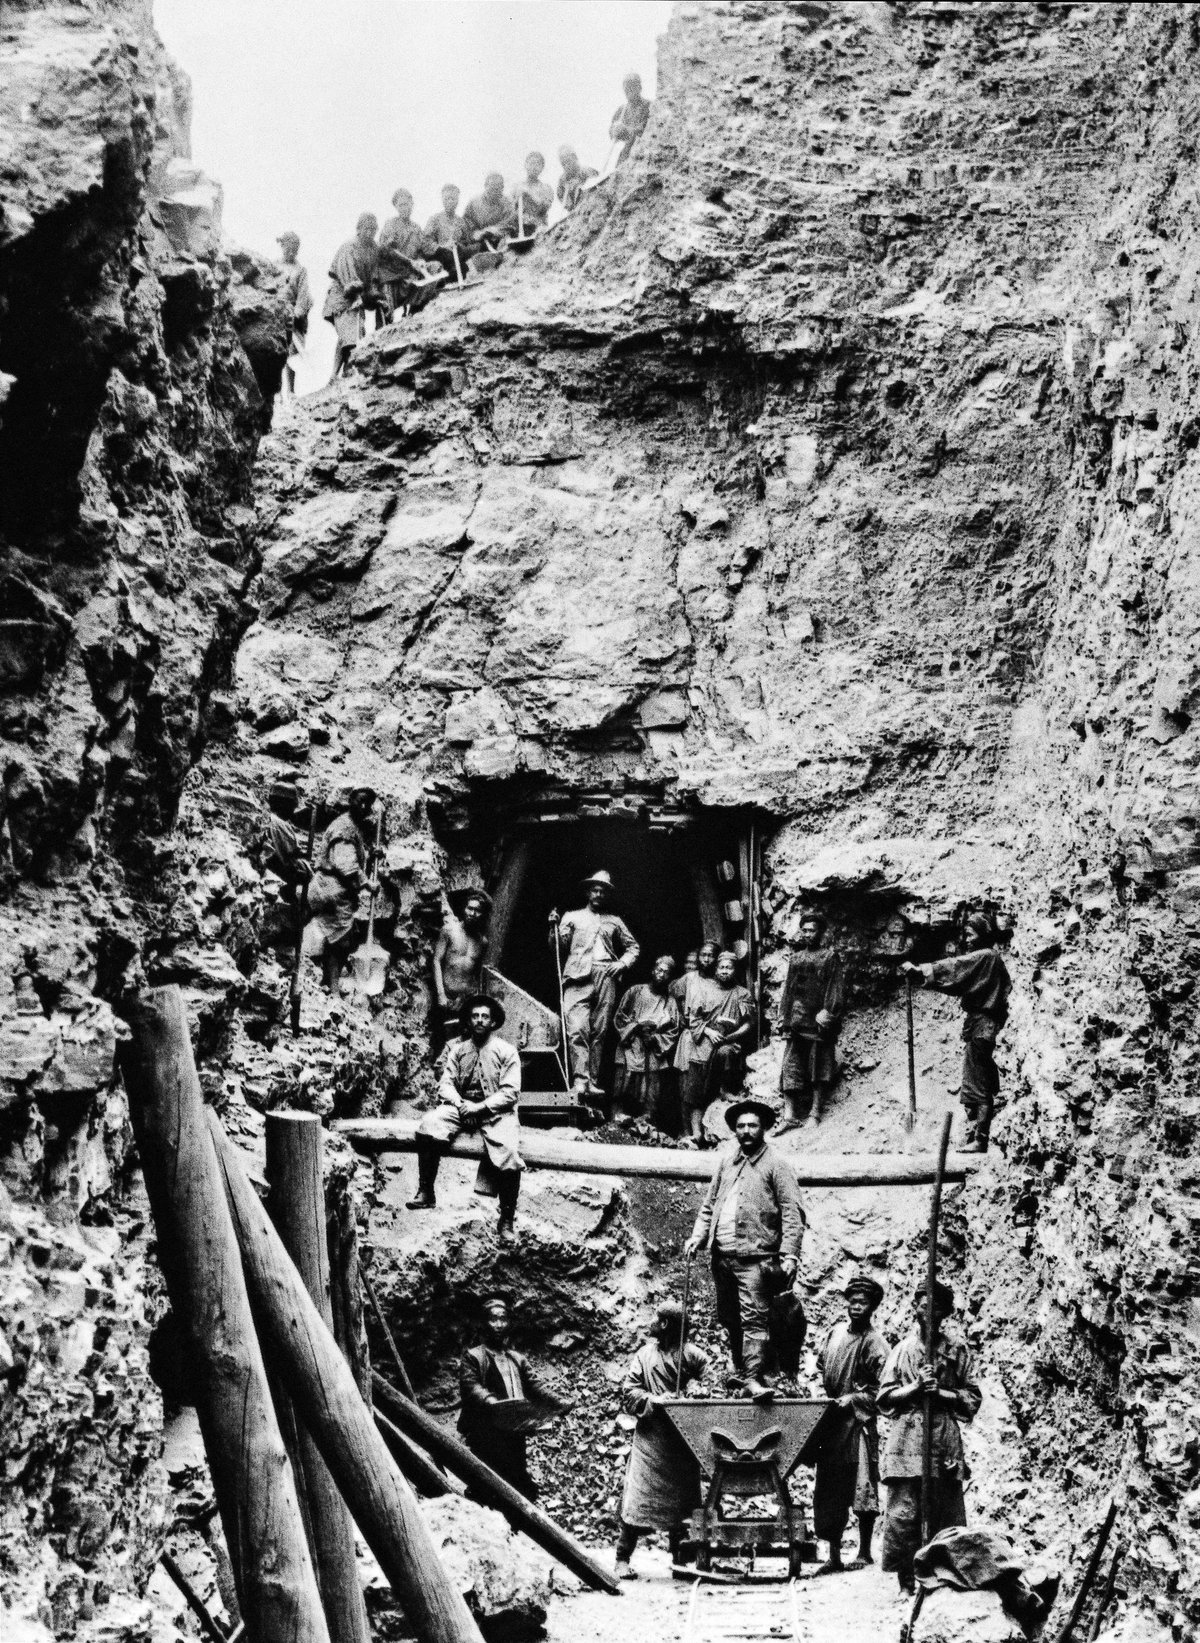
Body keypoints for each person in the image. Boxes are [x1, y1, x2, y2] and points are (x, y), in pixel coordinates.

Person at [684, 1098, 805, 1401]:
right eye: (741, 1126)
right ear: (734, 1131)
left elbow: (792, 1212)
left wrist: (789, 1253)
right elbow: (710, 1205)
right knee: (729, 1317)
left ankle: (754, 1378)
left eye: (752, 1125)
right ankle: (741, 1371)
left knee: (754, 1319)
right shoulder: (727, 1162)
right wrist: (697, 1237)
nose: (747, 1131)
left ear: (763, 1128)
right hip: (722, 1258)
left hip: (757, 1259)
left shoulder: (777, 1165)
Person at [878, 1279, 982, 1593]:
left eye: (937, 1306)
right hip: (907, 1439)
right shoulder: (902, 1351)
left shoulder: (956, 1350)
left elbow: (972, 1398)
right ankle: (906, 1581)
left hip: (943, 1438)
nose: (929, 1312)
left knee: (946, 1511)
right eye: (924, 1304)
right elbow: (884, 1398)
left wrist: (943, 1393)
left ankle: (943, 1579)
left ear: (946, 1311)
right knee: (904, 1514)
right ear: (914, 1307)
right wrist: (914, 1389)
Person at [407, 995, 523, 1241]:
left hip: (495, 1113)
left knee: (510, 1152)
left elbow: (511, 1093)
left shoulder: (506, 1051)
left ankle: (506, 1219)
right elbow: (445, 1085)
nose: (479, 1021)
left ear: (493, 1022)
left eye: (485, 1017)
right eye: (475, 1016)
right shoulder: (458, 1051)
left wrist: (479, 1108)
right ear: (468, 1022)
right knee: (430, 1124)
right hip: (461, 1109)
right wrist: (461, 1106)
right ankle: (426, 1191)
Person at [901, 913, 1011, 1151]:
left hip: (983, 1026)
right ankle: (976, 1136)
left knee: (978, 1084)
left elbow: (956, 969)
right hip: (979, 1026)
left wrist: (922, 971)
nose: (967, 940)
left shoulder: (987, 956)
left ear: (983, 936)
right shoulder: (988, 959)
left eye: (971, 935)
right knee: (977, 1081)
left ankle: (980, 1140)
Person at [614, 1302, 707, 1580]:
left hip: (681, 1441)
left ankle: (679, 1558)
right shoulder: (644, 1356)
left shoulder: (692, 1355)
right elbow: (629, 1392)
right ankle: (622, 1558)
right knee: (637, 1500)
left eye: (656, 1318)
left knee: (682, 1503)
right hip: (650, 1440)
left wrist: (692, 1393)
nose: (651, 1322)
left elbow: (709, 1383)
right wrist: (656, 1399)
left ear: (665, 1324)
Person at [458, 1295, 572, 1500]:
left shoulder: (517, 1359)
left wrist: (558, 1402)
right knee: (487, 1482)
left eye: (503, 1319)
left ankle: (518, 1524)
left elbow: (535, 1386)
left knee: (517, 1477)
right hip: (486, 1432)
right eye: (493, 1319)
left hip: (513, 1431)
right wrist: (491, 1402)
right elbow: (471, 1386)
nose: (499, 1325)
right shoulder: (473, 1356)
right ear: (484, 1323)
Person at [813, 1277, 890, 1575]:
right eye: (852, 1300)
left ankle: (864, 1551)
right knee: (829, 1487)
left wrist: (855, 1397)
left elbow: (884, 1390)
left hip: (858, 1424)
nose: (856, 1306)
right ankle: (833, 1555)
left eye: (863, 1302)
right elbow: (821, 1364)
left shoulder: (874, 1342)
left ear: (872, 1308)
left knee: (862, 1484)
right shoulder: (834, 1334)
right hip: (832, 1422)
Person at [549, 870, 639, 1098]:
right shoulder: (572, 916)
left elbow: (633, 947)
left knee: (599, 1031)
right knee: (578, 1028)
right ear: (588, 892)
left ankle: (592, 1082)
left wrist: (622, 963)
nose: (598, 894)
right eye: (595, 889)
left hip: (606, 975)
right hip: (577, 977)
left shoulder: (614, 921)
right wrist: (553, 928)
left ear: (607, 895)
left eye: (603, 891)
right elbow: (557, 948)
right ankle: (580, 1080)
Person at [303, 787, 378, 993]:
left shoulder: (352, 825)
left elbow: (354, 856)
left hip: (335, 889)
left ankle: (327, 983)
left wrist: (372, 855)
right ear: (350, 800)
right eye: (360, 801)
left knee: (339, 939)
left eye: (367, 804)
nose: (363, 807)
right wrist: (367, 884)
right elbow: (345, 865)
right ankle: (331, 987)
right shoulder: (344, 827)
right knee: (340, 941)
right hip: (331, 890)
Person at [778, 911, 846, 1132]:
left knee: (818, 1067)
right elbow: (789, 990)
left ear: (821, 933)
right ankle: (789, 1116)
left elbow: (835, 989)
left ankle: (815, 1113)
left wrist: (827, 1012)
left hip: (817, 1025)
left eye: (812, 930)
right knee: (790, 1066)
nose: (807, 934)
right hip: (796, 1022)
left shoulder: (829, 957)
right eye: (804, 930)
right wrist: (784, 1017)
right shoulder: (796, 958)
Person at [612, 955, 682, 1131]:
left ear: (670, 977)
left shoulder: (670, 1001)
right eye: (659, 970)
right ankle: (616, 1124)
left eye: (666, 972)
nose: (661, 975)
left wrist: (656, 1038)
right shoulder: (635, 991)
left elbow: (674, 1029)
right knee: (622, 1088)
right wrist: (636, 1027)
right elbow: (620, 1017)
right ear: (653, 970)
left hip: (653, 1050)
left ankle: (647, 1127)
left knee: (652, 1093)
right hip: (631, 1044)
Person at [672, 941, 726, 1143]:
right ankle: (687, 1133)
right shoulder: (689, 979)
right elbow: (673, 995)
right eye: (703, 955)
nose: (706, 959)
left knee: (707, 1085)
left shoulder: (719, 981)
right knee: (687, 1087)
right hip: (691, 1038)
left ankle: (705, 1131)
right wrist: (681, 1017)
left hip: (714, 1039)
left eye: (711, 955)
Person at [431, 889, 491, 1051]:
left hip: (464, 1002)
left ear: (482, 914)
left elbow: (476, 974)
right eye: (470, 908)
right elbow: (437, 961)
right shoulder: (449, 931)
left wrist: (468, 999)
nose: (472, 913)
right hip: (446, 998)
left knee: (460, 1046)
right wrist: (441, 994)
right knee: (439, 1043)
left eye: (477, 910)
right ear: (464, 909)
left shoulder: (482, 942)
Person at [324, 213, 381, 381]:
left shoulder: (374, 249)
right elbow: (348, 280)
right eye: (366, 228)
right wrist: (358, 295)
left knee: (349, 335)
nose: (370, 232)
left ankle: (334, 375)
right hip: (342, 297)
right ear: (359, 229)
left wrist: (376, 295)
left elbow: (373, 278)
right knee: (353, 332)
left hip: (358, 297)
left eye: (373, 229)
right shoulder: (349, 247)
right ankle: (347, 371)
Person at [377, 189, 440, 318]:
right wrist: (410, 261)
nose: (404, 208)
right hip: (393, 274)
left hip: (411, 273)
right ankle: (385, 324)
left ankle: (416, 312)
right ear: (396, 207)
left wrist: (421, 260)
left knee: (435, 267)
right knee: (386, 312)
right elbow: (388, 250)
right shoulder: (390, 225)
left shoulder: (416, 228)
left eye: (406, 204)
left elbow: (422, 250)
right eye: (400, 205)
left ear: (412, 204)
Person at [708, 951, 755, 1099]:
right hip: (708, 1037)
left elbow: (749, 1022)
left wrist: (732, 1036)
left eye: (729, 968)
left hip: (730, 1039)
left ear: (735, 970)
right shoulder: (707, 990)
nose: (724, 971)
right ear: (716, 969)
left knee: (726, 1052)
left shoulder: (742, 993)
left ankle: (725, 1089)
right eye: (721, 967)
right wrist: (708, 1031)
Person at [276, 232, 312, 396]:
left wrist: (296, 313)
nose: (291, 253)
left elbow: (304, 295)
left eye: (294, 250)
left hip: (294, 317)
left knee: (292, 353)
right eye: (288, 249)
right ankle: (276, 391)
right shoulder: (274, 266)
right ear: (282, 247)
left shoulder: (300, 270)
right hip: (276, 314)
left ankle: (290, 390)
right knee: (276, 352)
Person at [425, 183, 470, 280]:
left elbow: (466, 242)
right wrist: (442, 247)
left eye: (453, 199)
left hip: (456, 259)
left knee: (465, 269)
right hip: (440, 259)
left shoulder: (461, 222)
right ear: (442, 200)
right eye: (446, 199)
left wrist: (458, 245)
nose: (450, 202)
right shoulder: (434, 219)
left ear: (457, 201)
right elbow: (426, 242)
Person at [462, 173, 510, 252]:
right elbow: (466, 222)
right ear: (486, 186)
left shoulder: (507, 203)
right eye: (492, 188)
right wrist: (475, 233)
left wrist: (495, 229)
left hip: (500, 241)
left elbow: (509, 223)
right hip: (479, 243)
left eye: (498, 188)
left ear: (502, 188)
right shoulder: (474, 203)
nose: (495, 192)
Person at [609, 72, 651, 163]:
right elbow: (611, 131)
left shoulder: (648, 106)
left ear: (639, 88)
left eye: (632, 88)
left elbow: (645, 131)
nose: (628, 92)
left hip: (643, 152)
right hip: (627, 152)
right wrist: (614, 131)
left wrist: (627, 131)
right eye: (626, 89)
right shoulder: (621, 110)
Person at [508, 151, 553, 235]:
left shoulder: (546, 188)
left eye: (538, 164)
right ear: (526, 165)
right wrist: (516, 201)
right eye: (531, 163)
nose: (534, 167)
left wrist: (528, 195)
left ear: (542, 168)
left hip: (538, 228)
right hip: (518, 228)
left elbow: (544, 209)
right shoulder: (516, 187)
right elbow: (509, 210)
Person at [556, 145, 598, 212]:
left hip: (593, 206)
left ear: (575, 157)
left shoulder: (587, 171)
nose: (567, 165)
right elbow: (563, 199)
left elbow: (598, 188)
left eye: (568, 161)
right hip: (576, 212)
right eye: (563, 164)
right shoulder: (562, 182)